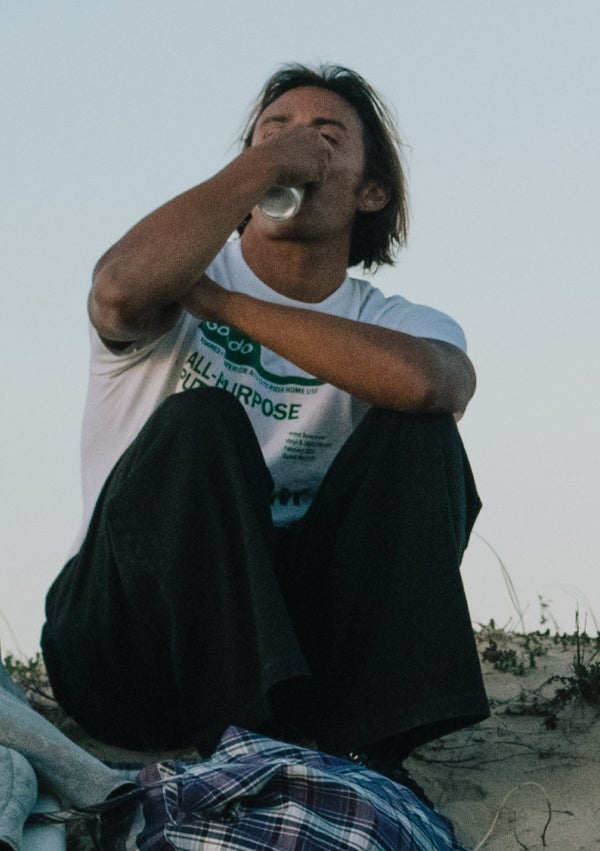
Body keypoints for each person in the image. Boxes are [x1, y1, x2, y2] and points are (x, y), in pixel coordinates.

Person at [42, 64, 489, 786]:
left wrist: (223, 306)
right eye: (272, 130)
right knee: (201, 423)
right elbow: (119, 290)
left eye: (325, 135)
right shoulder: (178, 270)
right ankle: (243, 743)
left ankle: (372, 746)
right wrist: (262, 170)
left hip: (293, 668)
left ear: (371, 191)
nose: (295, 145)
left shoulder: (388, 321)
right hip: (126, 651)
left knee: (420, 427)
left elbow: (432, 381)